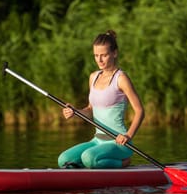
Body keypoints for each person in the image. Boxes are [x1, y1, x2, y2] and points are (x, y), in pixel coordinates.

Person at [58, 30, 145, 169]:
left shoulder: (121, 78)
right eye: (96, 55)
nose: (99, 60)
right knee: (63, 160)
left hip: (119, 143)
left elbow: (140, 111)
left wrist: (128, 135)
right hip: (97, 141)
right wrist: (75, 112)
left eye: (104, 55)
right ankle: (90, 168)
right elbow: (90, 109)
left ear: (114, 53)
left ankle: (124, 162)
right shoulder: (93, 77)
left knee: (88, 157)